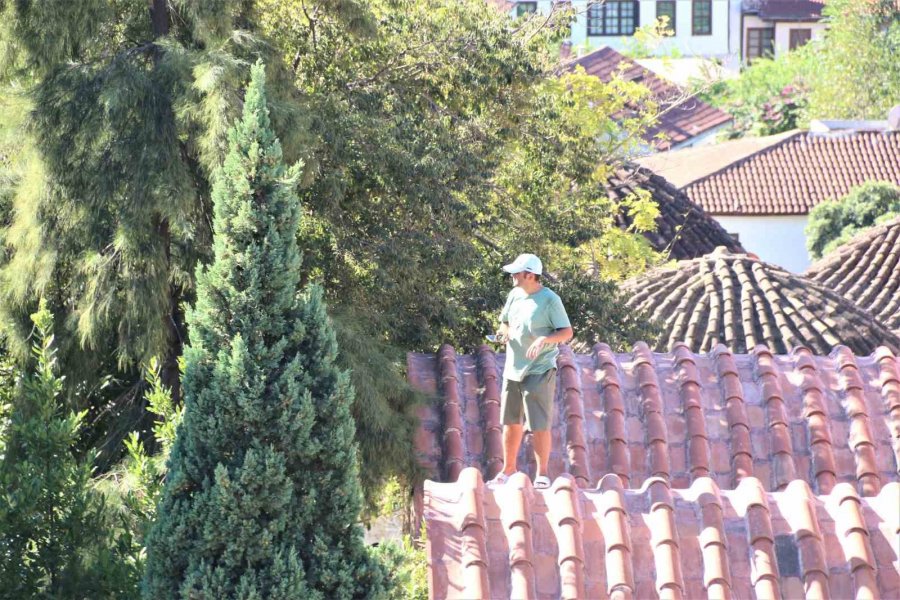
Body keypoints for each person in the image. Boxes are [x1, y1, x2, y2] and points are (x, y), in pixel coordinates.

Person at [491, 253, 573, 489]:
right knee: (510, 421)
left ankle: (542, 474)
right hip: (512, 369)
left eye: (517, 273)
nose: (513, 277)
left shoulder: (550, 300)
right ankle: (508, 470)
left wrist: (544, 340)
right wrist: (503, 332)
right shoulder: (514, 295)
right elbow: (504, 321)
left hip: (540, 368)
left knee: (539, 423)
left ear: (530, 275)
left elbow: (566, 332)